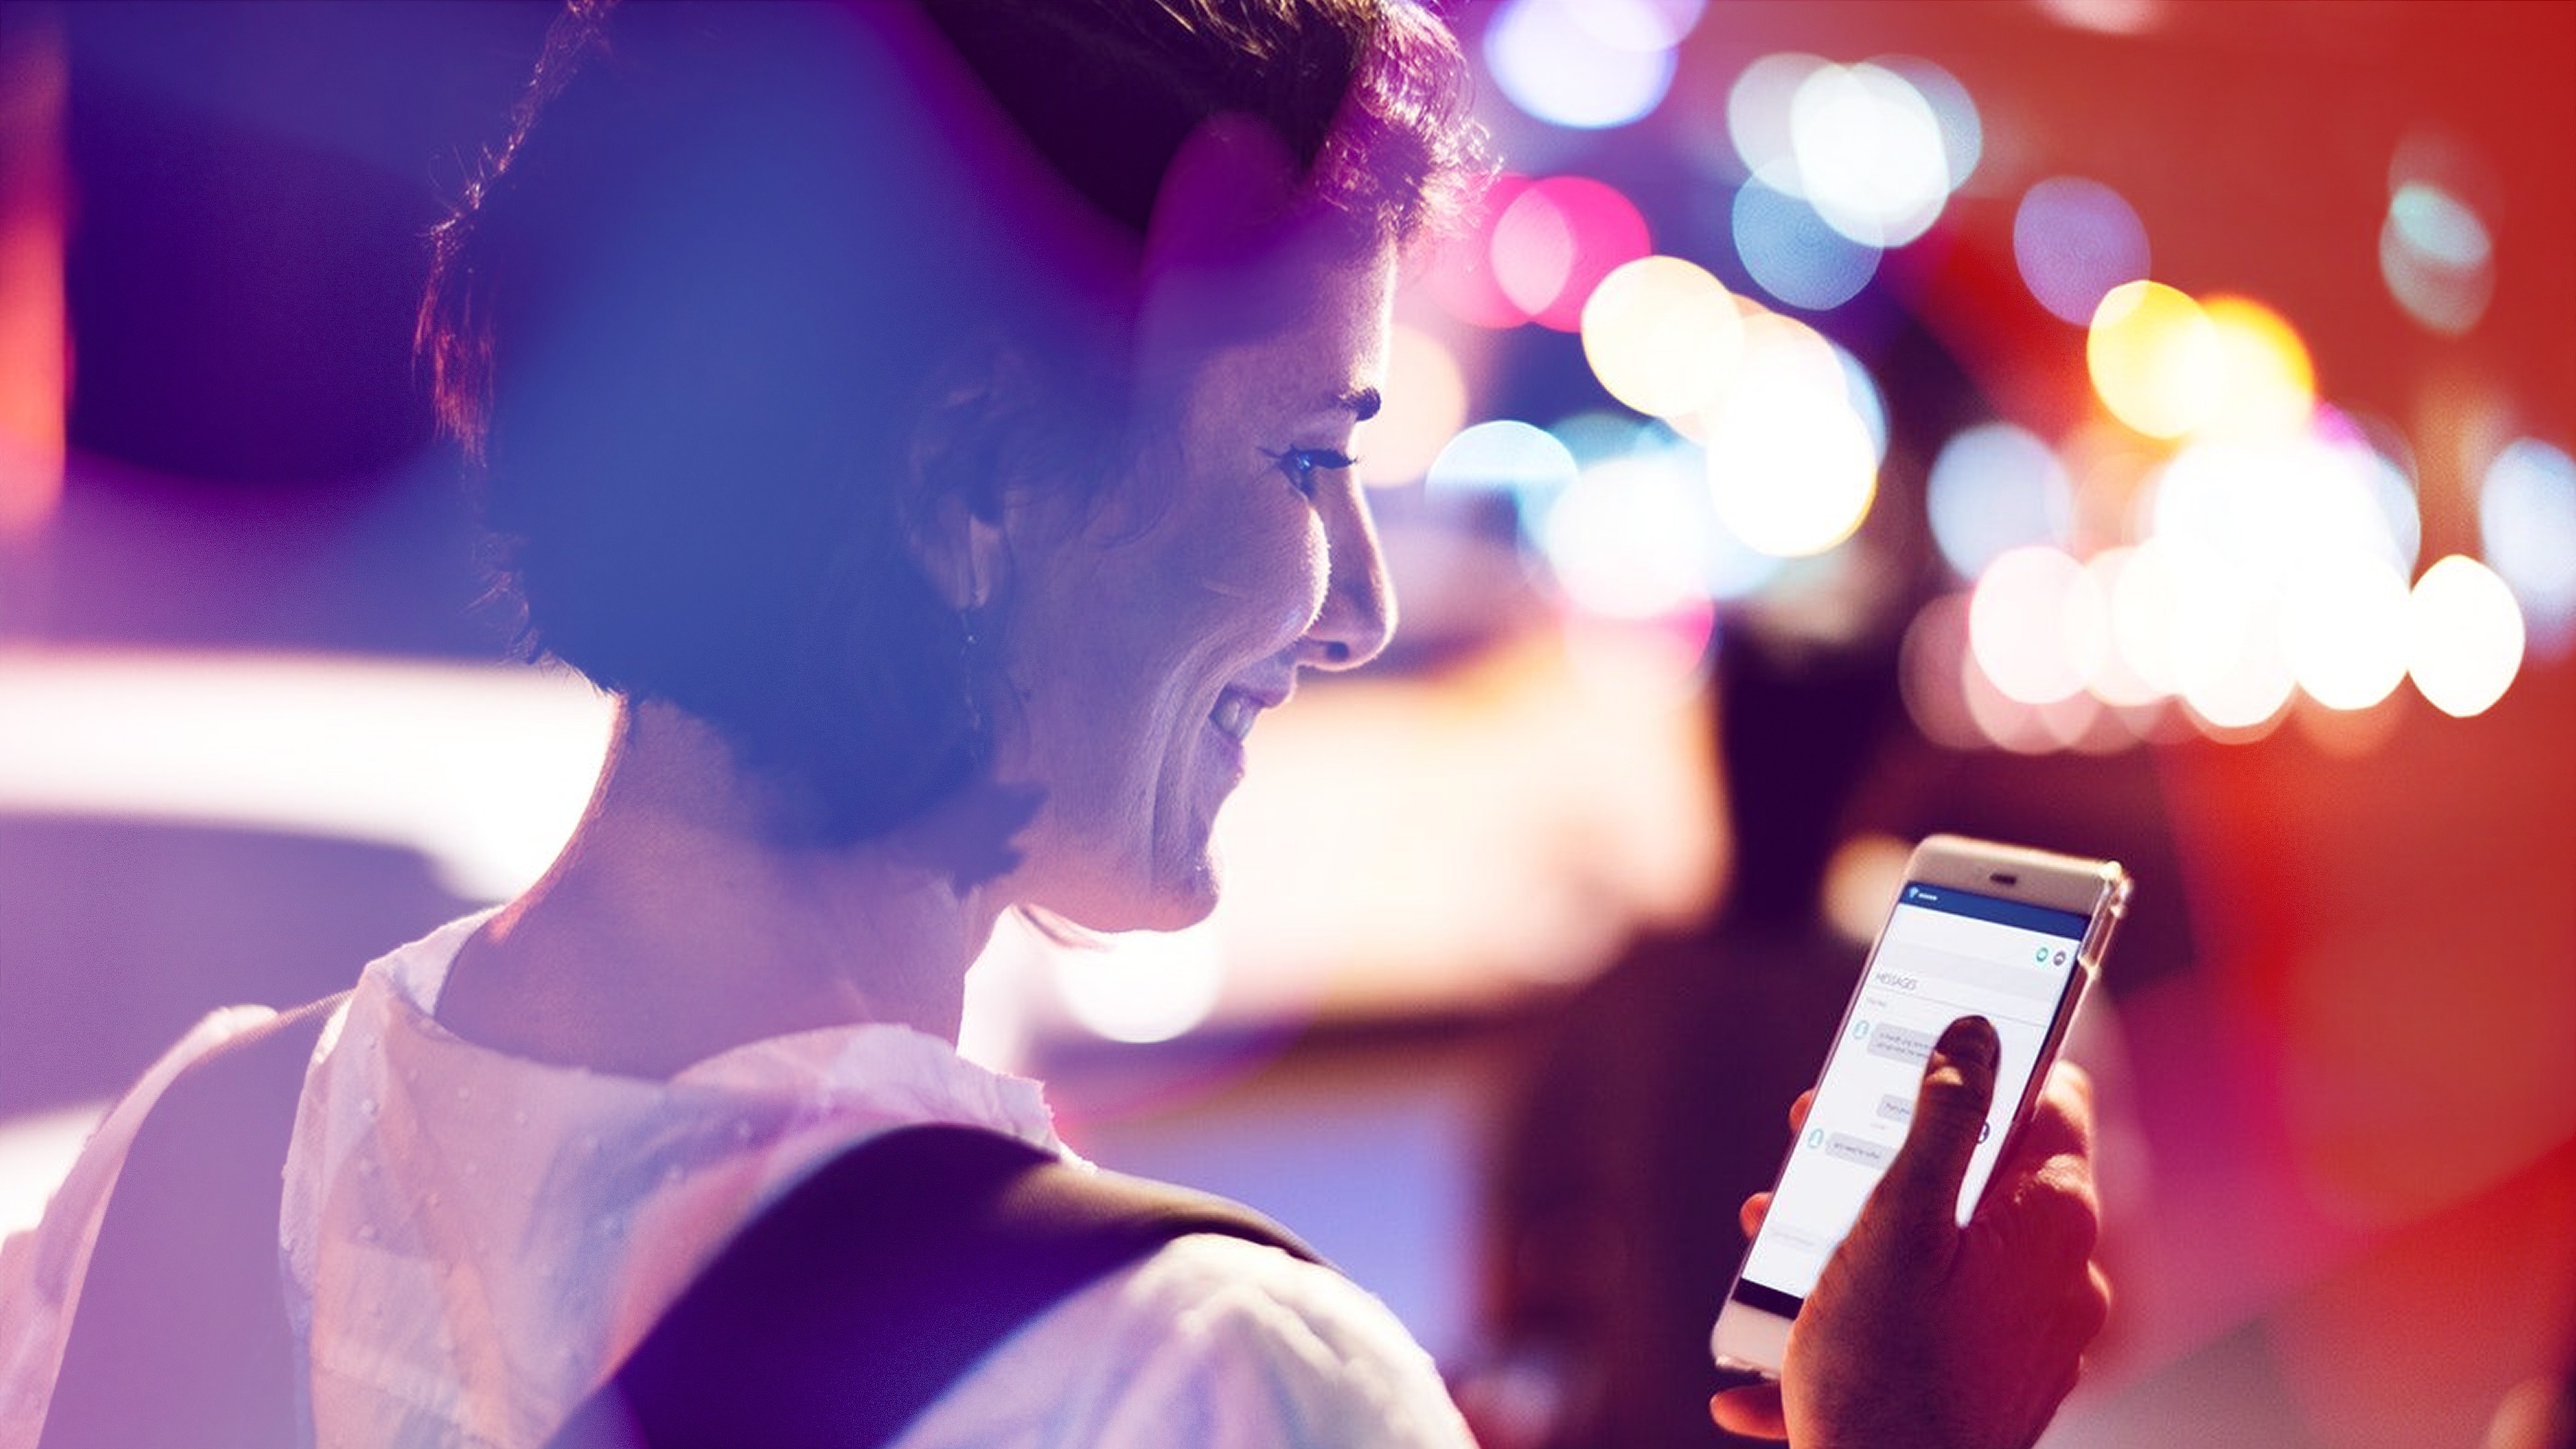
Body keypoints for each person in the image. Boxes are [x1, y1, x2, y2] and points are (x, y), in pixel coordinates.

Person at [0, 2, 2108, 1446]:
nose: (1360, 601)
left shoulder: (182, 1174)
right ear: (974, 488)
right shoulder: (1201, 1378)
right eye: (1306, 457)